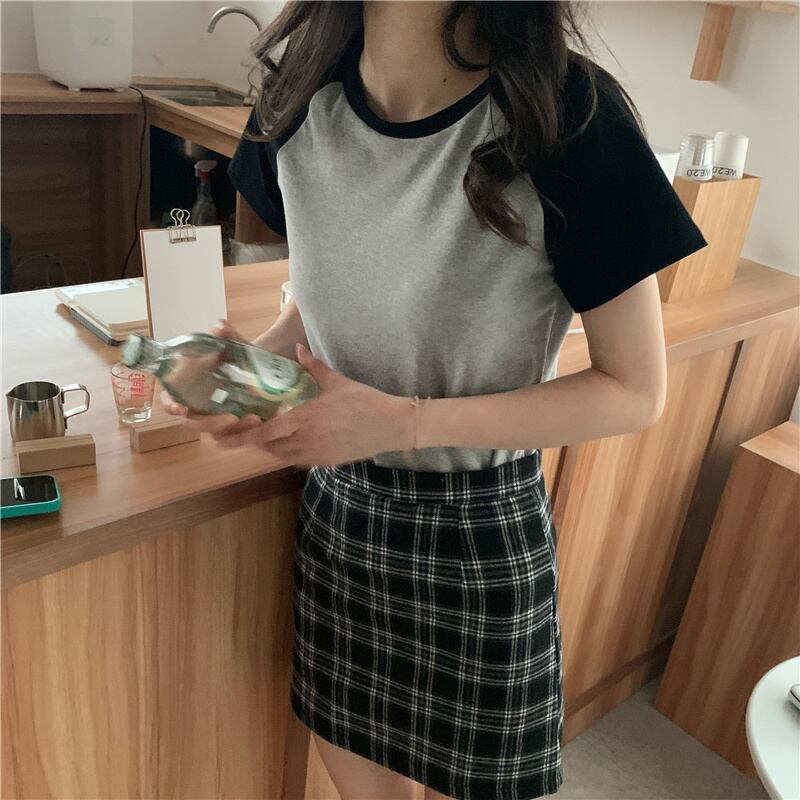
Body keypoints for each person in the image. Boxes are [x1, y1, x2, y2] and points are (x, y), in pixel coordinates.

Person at [163, 2, 707, 798]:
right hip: (341, 516)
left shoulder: (567, 115)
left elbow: (635, 390)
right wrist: (243, 371)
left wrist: (406, 422)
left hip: (479, 531)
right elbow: (323, 300)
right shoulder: (295, 101)